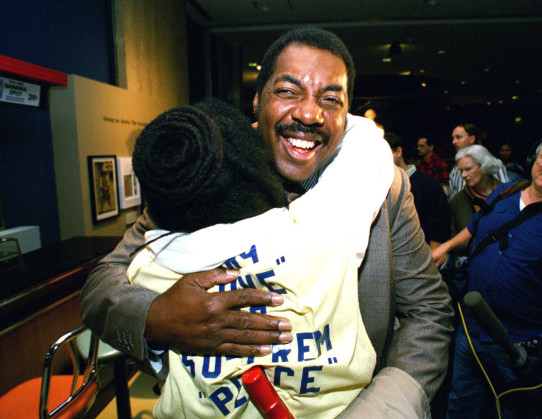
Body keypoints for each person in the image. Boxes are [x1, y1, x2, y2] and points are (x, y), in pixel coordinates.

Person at [81, 27, 453, 417]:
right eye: (288, 92)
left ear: (346, 115)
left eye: (330, 99)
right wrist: (156, 319)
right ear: (257, 102)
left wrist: (382, 408)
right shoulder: (207, 171)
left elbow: (429, 311)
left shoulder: (379, 183)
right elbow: (101, 285)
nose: (309, 114)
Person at [128, 97, 393, 417]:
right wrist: (285, 119)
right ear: (256, 165)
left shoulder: (150, 268)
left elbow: (150, 244)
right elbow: (368, 139)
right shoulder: (320, 230)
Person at [433, 134, 542, 418]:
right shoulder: (504, 193)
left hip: (521, 345)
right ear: (533, 160)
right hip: (471, 335)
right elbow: (474, 228)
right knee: (462, 405)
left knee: (515, 411)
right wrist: (446, 247)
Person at [443, 145, 504, 301]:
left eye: (469, 169)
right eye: (461, 171)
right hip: (474, 274)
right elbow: (457, 238)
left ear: (485, 166)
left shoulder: (508, 194)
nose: (464, 175)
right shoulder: (459, 201)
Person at [384, 132, 451, 250]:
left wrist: (434, 253)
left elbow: (440, 222)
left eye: (385, 154)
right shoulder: (380, 187)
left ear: (398, 152)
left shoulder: (426, 183)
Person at [449, 123, 509, 198]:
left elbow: (507, 193)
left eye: (458, 137)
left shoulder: (492, 163)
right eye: (453, 138)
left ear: (472, 139)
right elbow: (454, 202)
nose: (454, 142)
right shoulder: (454, 171)